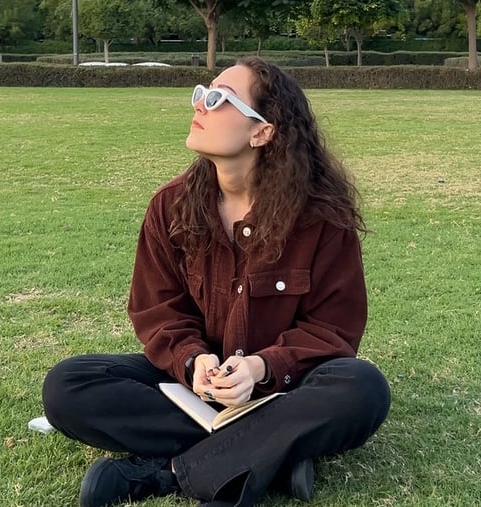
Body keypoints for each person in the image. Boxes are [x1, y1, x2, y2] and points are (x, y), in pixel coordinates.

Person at [42, 56, 391, 507]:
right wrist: (194, 361)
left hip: (284, 389)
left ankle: (167, 473)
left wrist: (260, 367)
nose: (199, 104)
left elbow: (333, 330)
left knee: (362, 388)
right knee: (69, 385)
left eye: (218, 99)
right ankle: (274, 454)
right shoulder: (170, 207)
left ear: (262, 132)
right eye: (201, 93)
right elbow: (159, 311)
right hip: (196, 391)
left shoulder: (322, 217)